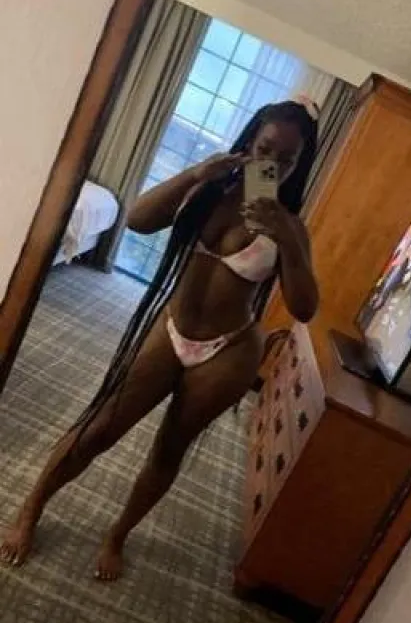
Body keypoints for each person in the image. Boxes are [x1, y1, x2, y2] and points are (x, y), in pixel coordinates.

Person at [1, 98, 319, 581]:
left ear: (299, 165)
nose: (270, 164)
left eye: (286, 160)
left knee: (170, 448)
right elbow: (139, 219)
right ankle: (31, 510)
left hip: (230, 351)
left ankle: (117, 536)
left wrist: (289, 241)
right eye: (264, 148)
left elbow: (304, 308)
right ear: (250, 140)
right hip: (169, 328)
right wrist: (197, 173)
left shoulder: (290, 227)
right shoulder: (209, 189)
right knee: (100, 427)